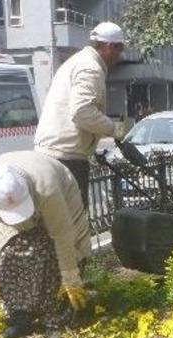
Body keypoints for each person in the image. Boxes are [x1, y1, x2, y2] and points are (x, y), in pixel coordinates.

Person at [0, 151, 91, 338]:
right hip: (12, 212)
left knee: (50, 256)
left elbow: (62, 234)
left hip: (60, 198)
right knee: (6, 257)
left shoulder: (46, 188)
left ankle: (56, 319)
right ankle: (20, 318)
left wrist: (70, 276)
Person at [34, 21, 129, 207]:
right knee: (74, 220)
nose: (120, 55)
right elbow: (82, 112)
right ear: (110, 46)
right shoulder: (90, 68)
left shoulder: (76, 61)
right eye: (120, 49)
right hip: (66, 158)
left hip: (52, 154)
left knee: (56, 220)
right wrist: (116, 130)